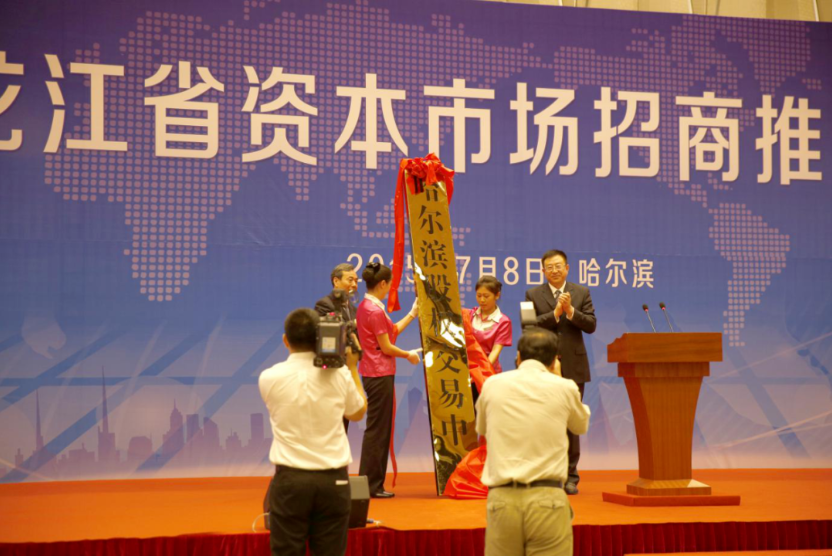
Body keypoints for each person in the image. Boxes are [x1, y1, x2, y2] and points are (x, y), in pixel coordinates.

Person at [259, 308, 367, 556]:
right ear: (319, 337)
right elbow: (358, 412)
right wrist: (351, 367)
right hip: (333, 482)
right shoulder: (339, 374)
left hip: (290, 481)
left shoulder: (268, 377)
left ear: (286, 340)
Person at [476, 328, 590, 556]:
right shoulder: (564, 386)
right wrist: (559, 378)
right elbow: (580, 426)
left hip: (502, 499)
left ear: (518, 356)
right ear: (554, 360)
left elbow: (482, 429)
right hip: (547, 498)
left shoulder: (492, 384)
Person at [525, 249, 596, 495]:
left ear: (567, 268)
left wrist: (570, 312)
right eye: (549, 267)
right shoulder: (532, 294)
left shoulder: (581, 292)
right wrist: (555, 314)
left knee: (570, 422)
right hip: (543, 367)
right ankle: (545, 474)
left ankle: (570, 477)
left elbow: (591, 325)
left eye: (558, 266)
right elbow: (527, 326)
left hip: (574, 367)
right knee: (543, 421)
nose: (554, 270)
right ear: (543, 271)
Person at [356, 262, 420, 498]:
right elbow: (386, 347)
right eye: (391, 285)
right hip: (378, 373)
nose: (392, 288)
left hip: (374, 372)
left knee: (378, 430)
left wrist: (412, 313)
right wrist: (408, 355)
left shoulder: (367, 306)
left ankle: (371, 483)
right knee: (378, 431)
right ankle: (372, 485)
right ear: (382, 284)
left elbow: (391, 332)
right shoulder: (374, 310)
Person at [470, 275, 513, 374]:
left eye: (486, 296)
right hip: (467, 370)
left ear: (497, 295)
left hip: (489, 372)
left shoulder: (503, 322)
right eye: (479, 295)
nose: (482, 300)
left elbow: (495, 352)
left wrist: (480, 372)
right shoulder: (469, 315)